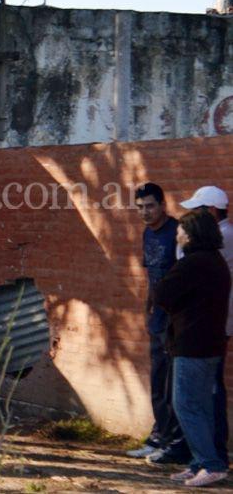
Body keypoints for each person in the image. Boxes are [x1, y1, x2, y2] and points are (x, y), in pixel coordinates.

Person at [156, 209, 231, 487]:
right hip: (209, 342)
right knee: (200, 406)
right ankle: (201, 462)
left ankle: (211, 464)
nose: (177, 234)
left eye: (181, 229)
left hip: (193, 344)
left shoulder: (193, 263)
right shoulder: (214, 260)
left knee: (185, 404)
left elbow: (162, 292)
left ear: (192, 233)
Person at [127, 183, 190, 464]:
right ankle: (158, 436)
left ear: (163, 205)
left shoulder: (176, 234)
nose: (145, 212)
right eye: (140, 207)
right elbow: (152, 277)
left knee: (169, 384)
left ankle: (172, 441)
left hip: (175, 322)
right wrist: (148, 309)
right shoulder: (147, 234)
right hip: (158, 320)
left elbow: (184, 279)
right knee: (157, 380)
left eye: (150, 206)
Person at [179, 186, 232, 469]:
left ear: (211, 212)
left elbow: (183, 269)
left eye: (197, 211)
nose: (191, 218)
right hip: (214, 324)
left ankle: (211, 458)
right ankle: (207, 456)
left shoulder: (223, 238)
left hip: (210, 326)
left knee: (204, 395)